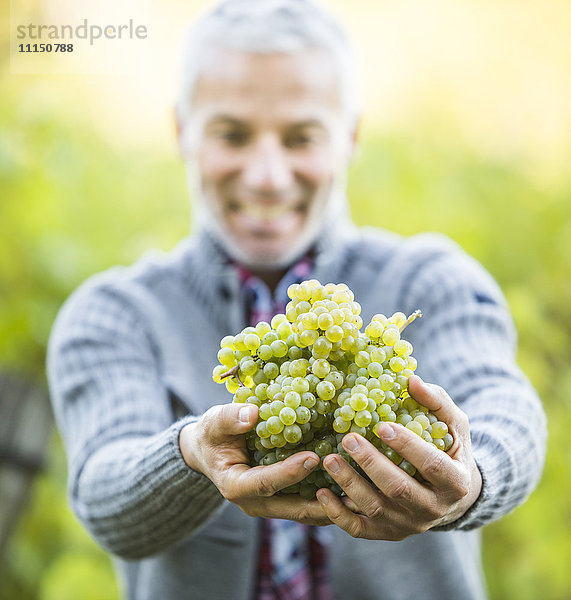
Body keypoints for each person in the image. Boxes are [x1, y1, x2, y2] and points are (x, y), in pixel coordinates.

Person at [47, 1, 547, 599]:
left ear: (350, 137)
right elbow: (105, 495)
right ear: (182, 131)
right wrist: (189, 454)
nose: (267, 174)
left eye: (300, 137)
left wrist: (471, 477)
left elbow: (506, 408)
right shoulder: (114, 313)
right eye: (232, 134)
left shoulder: (430, 281)